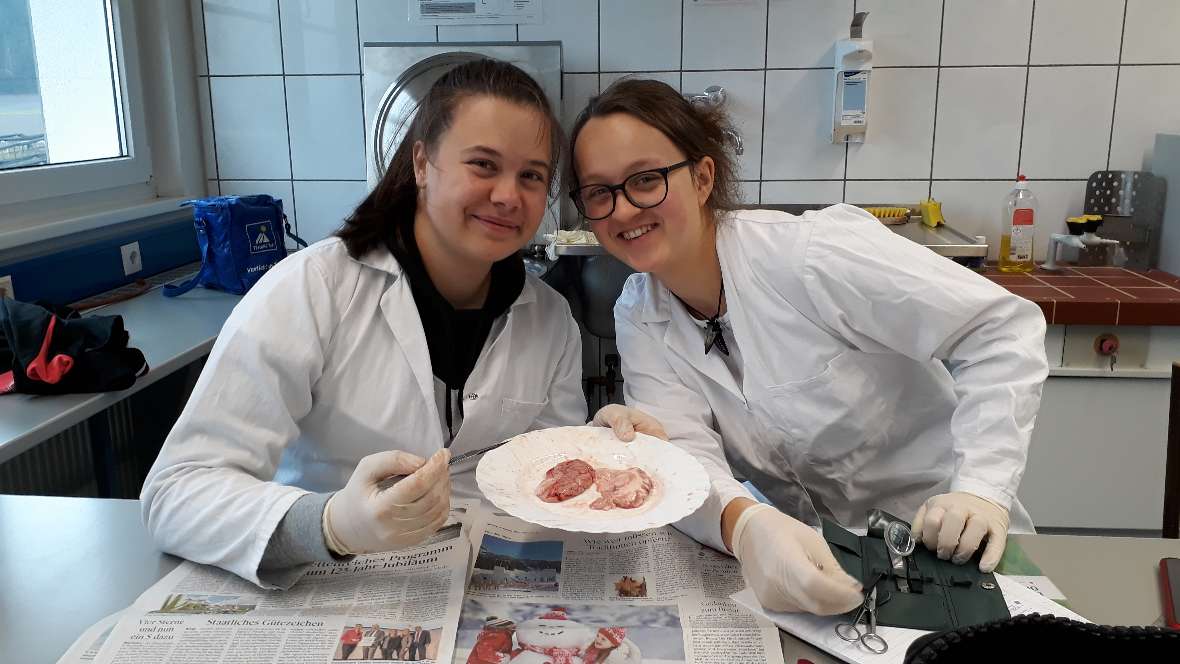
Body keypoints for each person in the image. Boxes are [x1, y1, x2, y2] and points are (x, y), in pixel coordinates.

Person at [140, 59, 664, 590]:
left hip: (484, 591)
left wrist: (594, 455)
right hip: (328, 585)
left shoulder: (549, 320)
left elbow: (541, 473)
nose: (509, 195)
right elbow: (177, 493)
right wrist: (330, 525)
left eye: (531, 175)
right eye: (483, 165)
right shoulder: (313, 289)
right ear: (421, 164)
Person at [567, 79, 1049, 615]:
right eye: (599, 193)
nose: (624, 210)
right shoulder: (639, 313)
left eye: (646, 179)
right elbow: (684, 453)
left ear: (703, 177)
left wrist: (982, 487)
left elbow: (1000, 327)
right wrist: (746, 524)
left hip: (949, 543)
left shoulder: (811, 255)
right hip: (817, 558)